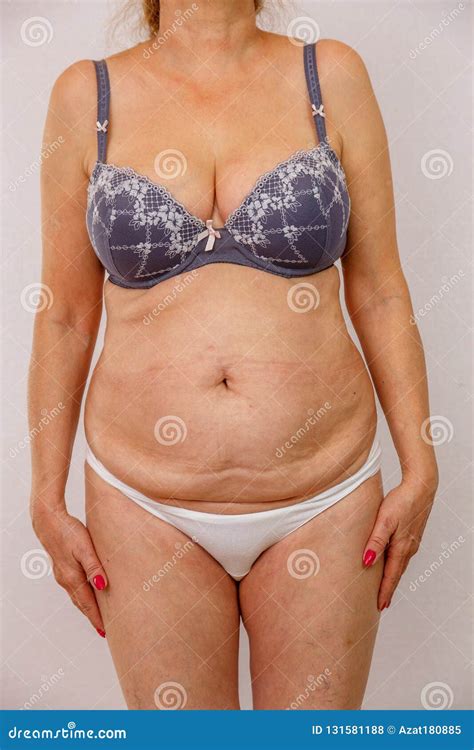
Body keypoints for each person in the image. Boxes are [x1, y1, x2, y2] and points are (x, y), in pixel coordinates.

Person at [28, 0, 438, 709]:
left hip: (327, 496)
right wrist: (44, 494)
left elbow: (381, 292)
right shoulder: (85, 93)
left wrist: (422, 463)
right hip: (142, 502)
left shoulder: (329, 76)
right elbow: (63, 315)